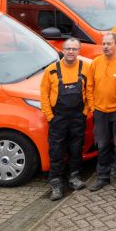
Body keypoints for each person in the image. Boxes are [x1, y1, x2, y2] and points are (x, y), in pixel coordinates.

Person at [40, 38, 88, 201]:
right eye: (68, 49)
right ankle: (56, 183)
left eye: (74, 49)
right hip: (58, 119)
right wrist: (50, 117)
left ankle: (74, 177)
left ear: (79, 51)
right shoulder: (51, 70)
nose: (71, 52)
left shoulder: (85, 68)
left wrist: (85, 112)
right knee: (56, 151)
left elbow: (91, 91)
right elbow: (44, 96)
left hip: (77, 118)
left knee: (76, 149)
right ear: (63, 50)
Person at [86, 32, 116, 192]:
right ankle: (103, 176)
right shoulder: (96, 62)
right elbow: (89, 86)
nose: (105, 46)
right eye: (103, 44)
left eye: (109, 44)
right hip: (100, 112)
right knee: (102, 145)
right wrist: (93, 107)